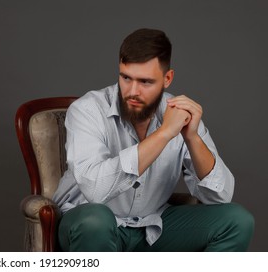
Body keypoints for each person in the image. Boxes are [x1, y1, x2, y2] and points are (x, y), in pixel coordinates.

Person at [52, 28, 254, 251]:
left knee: (237, 221)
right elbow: (96, 191)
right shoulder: (87, 110)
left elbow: (220, 197)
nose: (132, 91)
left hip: (151, 226)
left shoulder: (177, 113)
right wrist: (165, 133)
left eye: (145, 82)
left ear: (167, 79)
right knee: (96, 220)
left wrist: (192, 137)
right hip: (89, 225)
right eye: (126, 78)